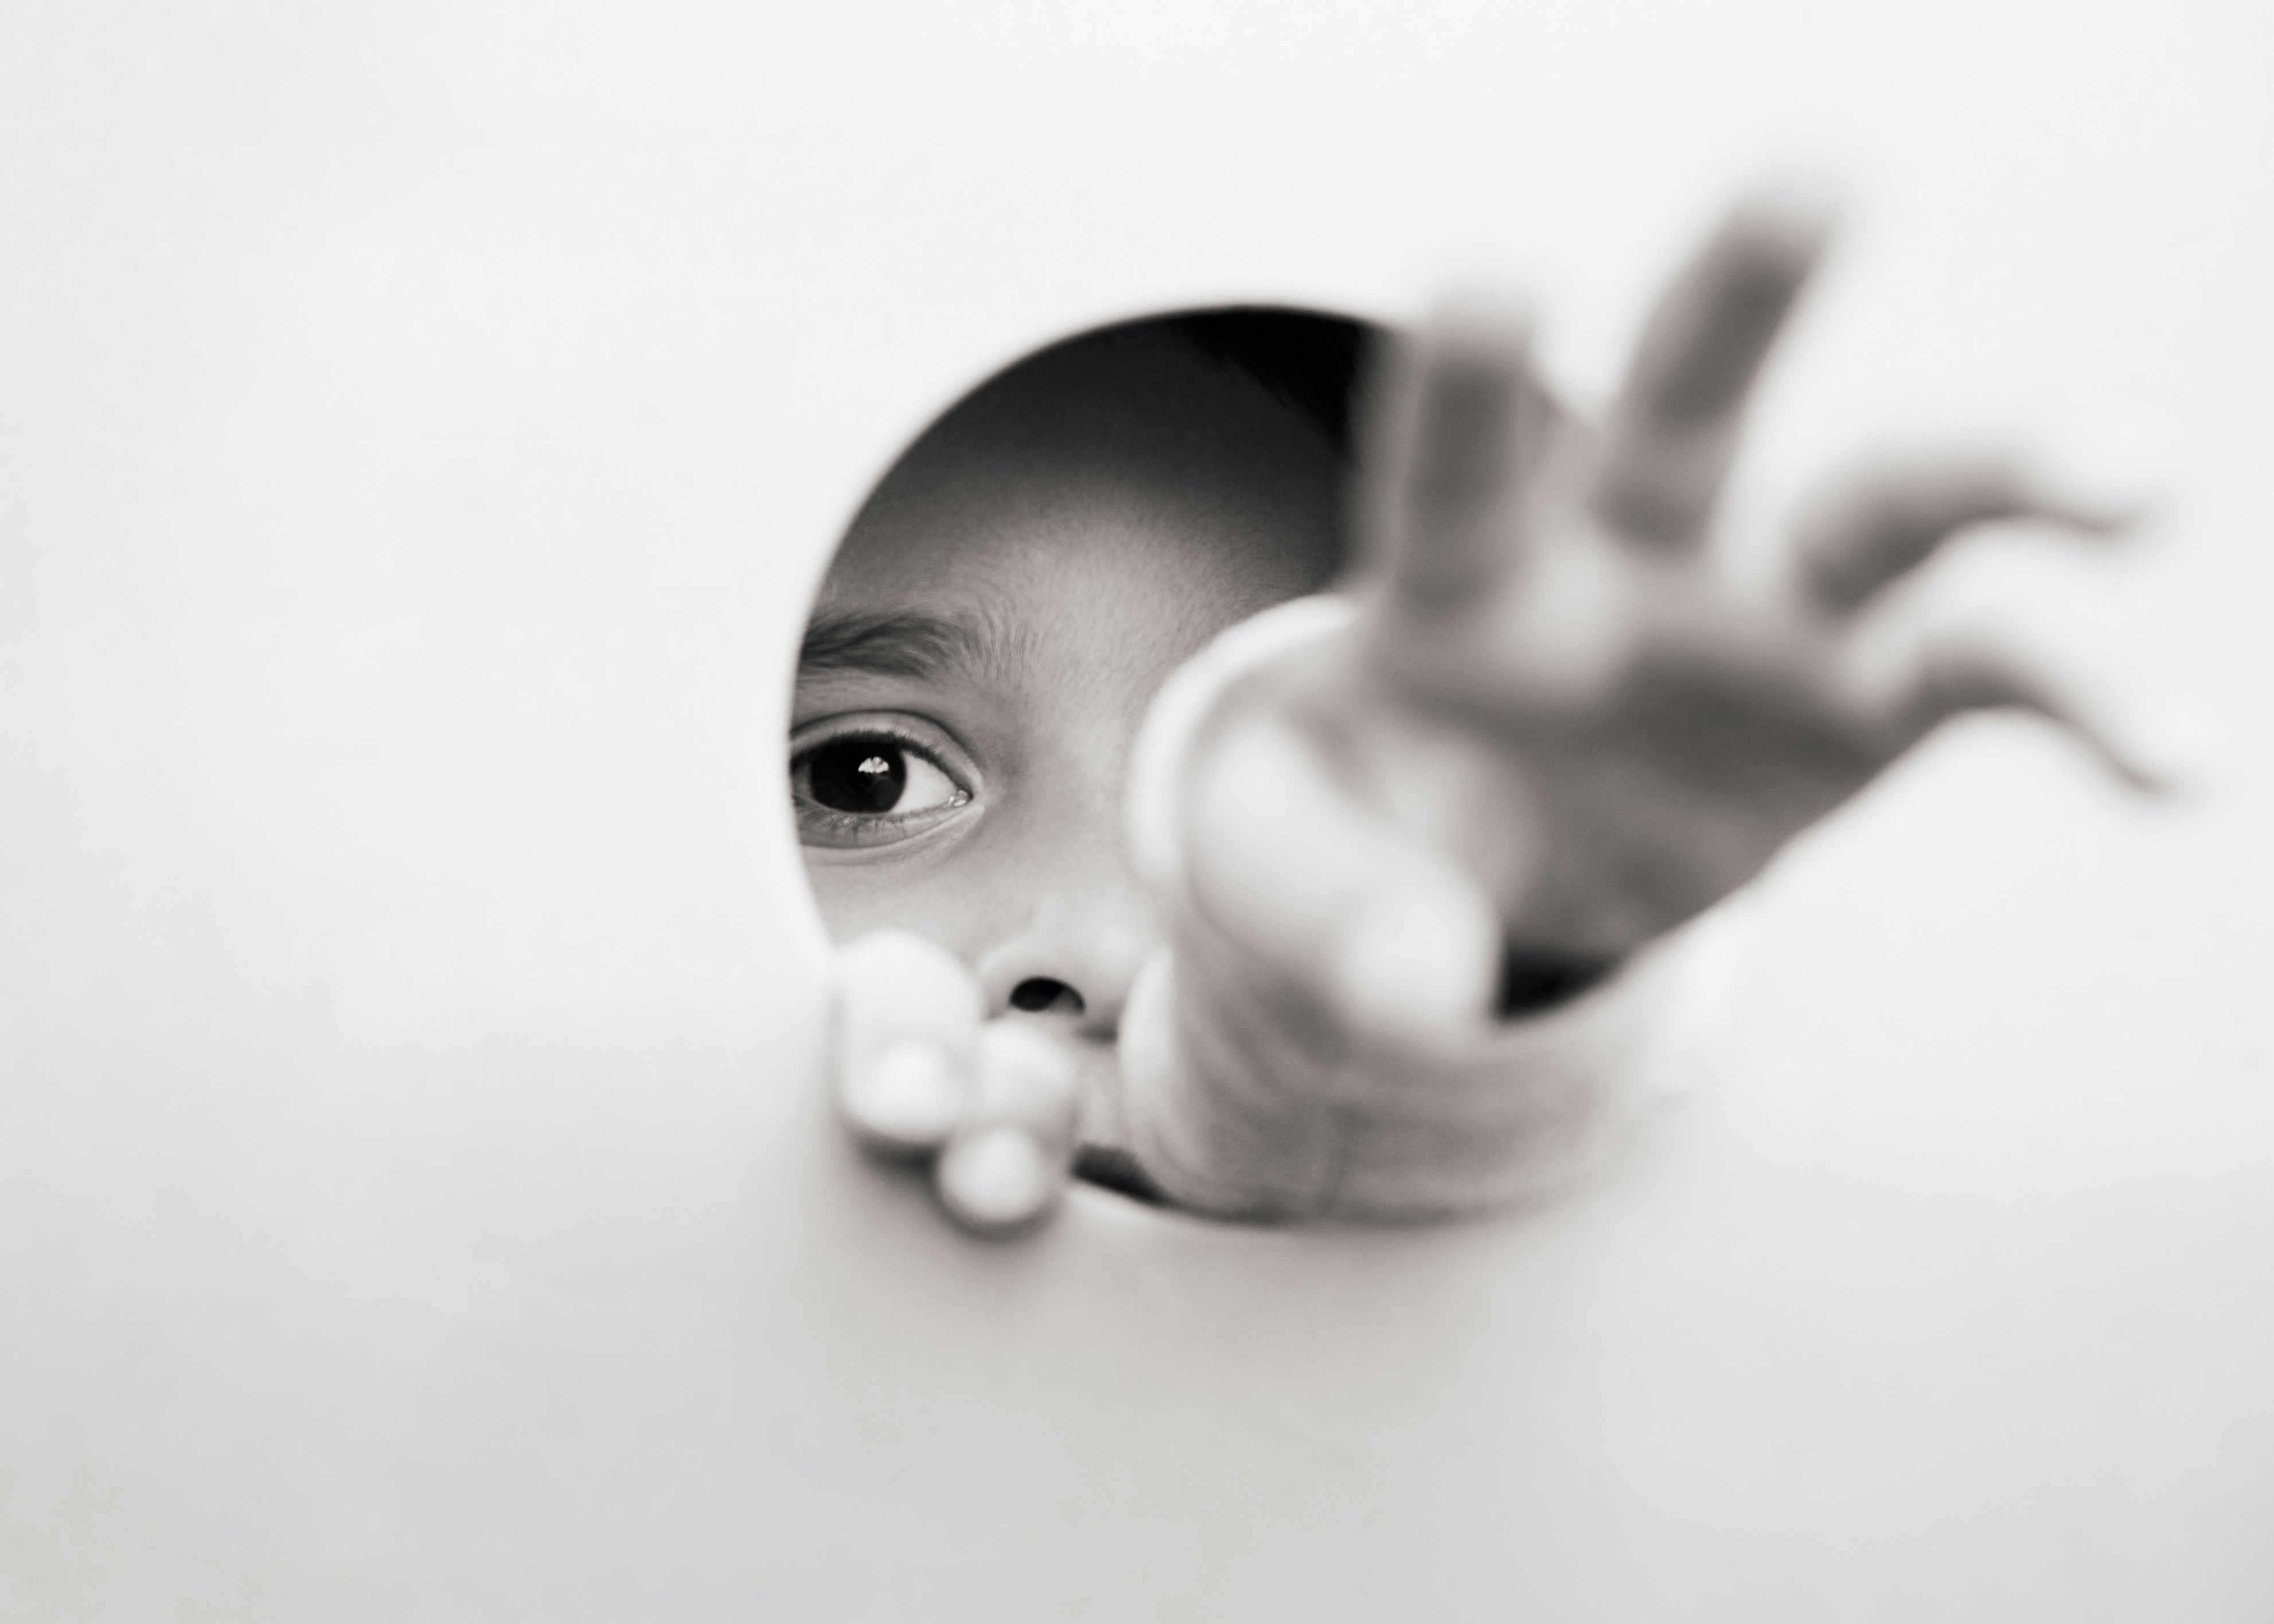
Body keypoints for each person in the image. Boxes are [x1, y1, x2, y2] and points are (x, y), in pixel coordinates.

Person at [793, 193, 2154, 1233]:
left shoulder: (1305, 1075)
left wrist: (1516, 973)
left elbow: (1331, 1104)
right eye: (865, 776)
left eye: (1324, 800)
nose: (1098, 945)